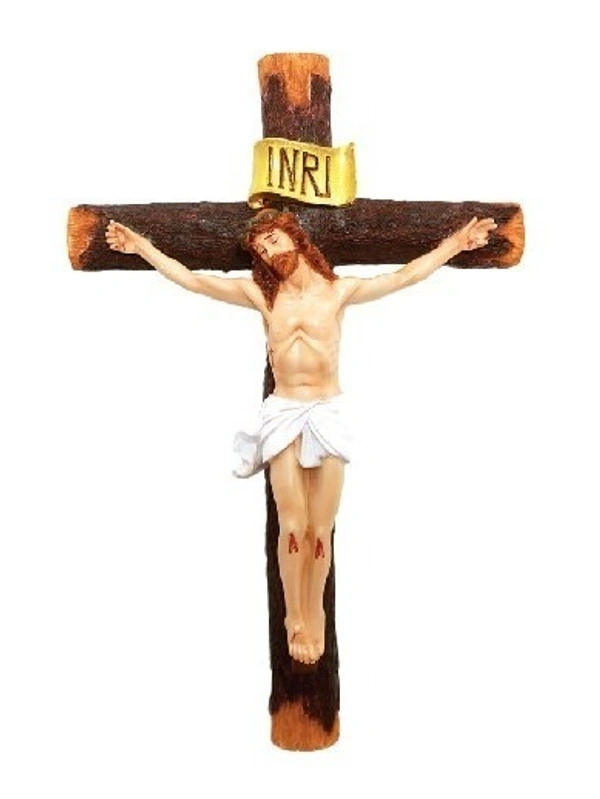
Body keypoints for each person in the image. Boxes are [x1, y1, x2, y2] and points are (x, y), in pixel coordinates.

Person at [105, 209, 497, 665]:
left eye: (273, 240)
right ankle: (296, 616)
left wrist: (457, 243)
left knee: (320, 531)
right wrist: (142, 247)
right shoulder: (262, 296)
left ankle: (317, 612)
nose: (270, 253)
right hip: (284, 410)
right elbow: (193, 281)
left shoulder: (339, 291)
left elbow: (405, 275)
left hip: (327, 410)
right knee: (293, 525)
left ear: (296, 237)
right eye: (262, 249)